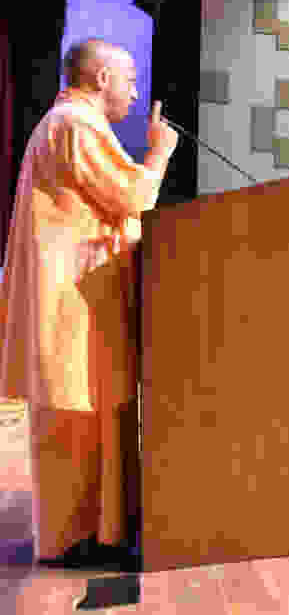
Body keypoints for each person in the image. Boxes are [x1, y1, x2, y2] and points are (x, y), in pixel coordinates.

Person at [0, 38, 179, 567]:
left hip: (80, 303)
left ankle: (100, 530)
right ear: (101, 78)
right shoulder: (76, 124)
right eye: (129, 80)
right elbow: (134, 198)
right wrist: (159, 152)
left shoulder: (67, 123)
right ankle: (75, 537)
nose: (135, 92)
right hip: (73, 306)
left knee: (85, 422)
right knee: (75, 424)